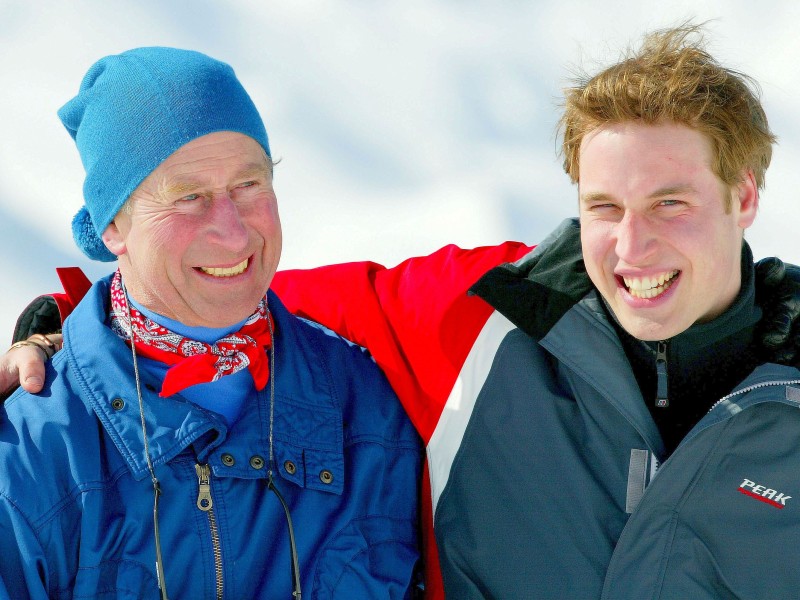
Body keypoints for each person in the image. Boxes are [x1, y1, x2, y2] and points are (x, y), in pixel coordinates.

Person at [5, 23, 800, 599]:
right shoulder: (484, 318)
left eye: (670, 203)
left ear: (743, 196)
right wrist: (59, 326)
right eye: (604, 206)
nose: (633, 246)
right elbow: (228, 290)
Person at [0, 47, 422, 599]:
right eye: (189, 196)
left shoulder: (371, 404)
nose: (233, 231)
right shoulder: (32, 449)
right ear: (113, 229)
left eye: (249, 185)